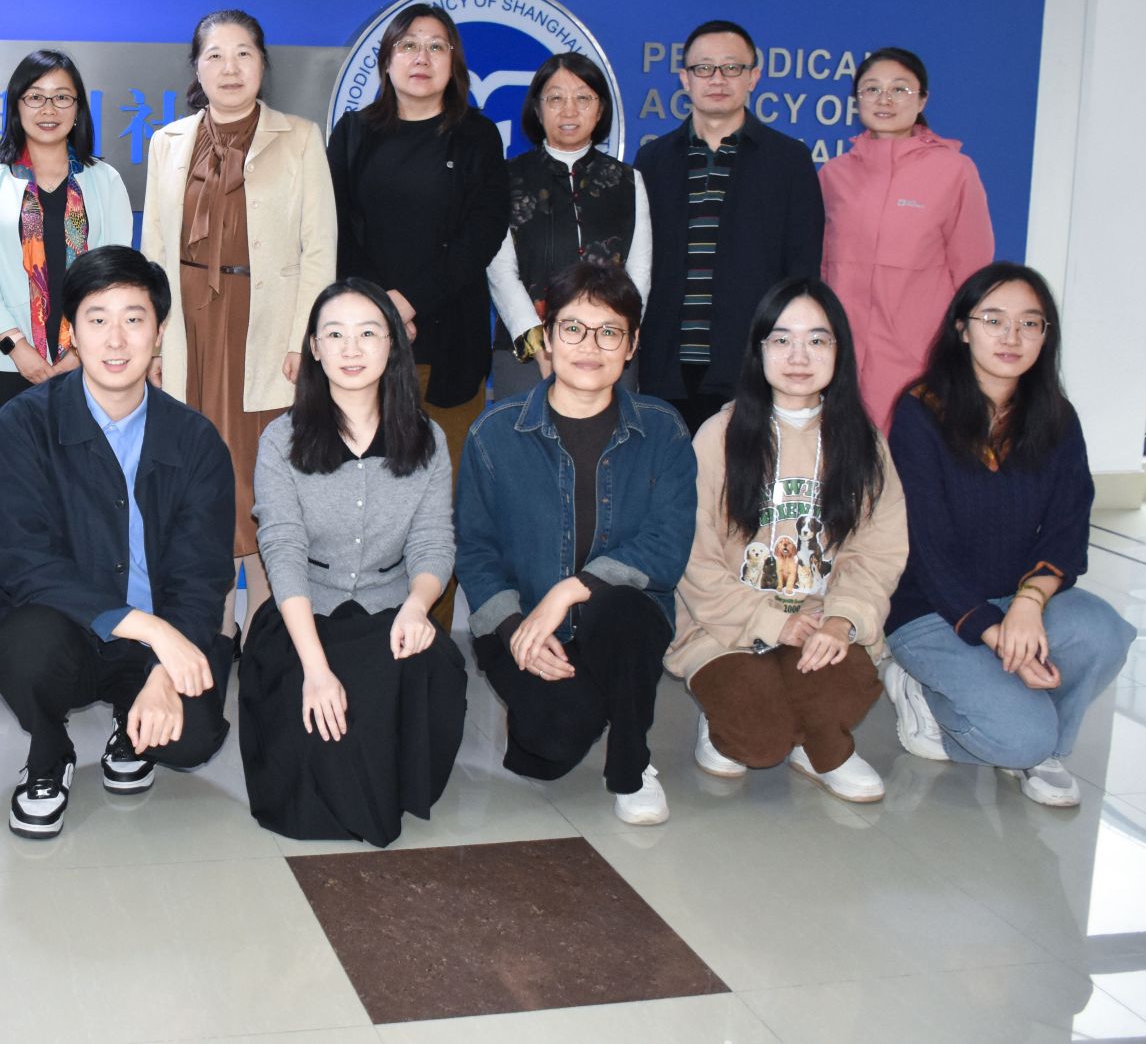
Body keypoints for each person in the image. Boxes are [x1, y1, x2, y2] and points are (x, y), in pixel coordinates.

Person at [0, 246, 237, 839]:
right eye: (97, 319)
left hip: (155, 633)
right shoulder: (24, 424)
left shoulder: (196, 440)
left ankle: (132, 726)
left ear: (160, 332)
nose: (116, 340)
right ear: (71, 332)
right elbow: (24, 560)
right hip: (66, 628)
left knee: (191, 737)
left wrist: (164, 670)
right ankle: (49, 755)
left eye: (134, 319)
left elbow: (203, 574)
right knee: (26, 650)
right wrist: (150, 630)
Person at [880, 264, 1136, 807]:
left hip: (1017, 601)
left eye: (1029, 323)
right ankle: (925, 696)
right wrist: (995, 634)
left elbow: (1069, 525)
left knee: (1104, 633)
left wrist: (1028, 602)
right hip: (932, 610)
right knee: (1016, 736)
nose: (1012, 337)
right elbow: (926, 548)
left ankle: (1045, 752)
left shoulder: (1056, 417)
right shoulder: (921, 411)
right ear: (962, 328)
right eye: (993, 320)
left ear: (1046, 335)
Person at [457, 262, 695, 825]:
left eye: (609, 331)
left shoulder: (663, 429)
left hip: (622, 622)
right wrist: (514, 628)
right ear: (548, 336)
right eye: (573, 328)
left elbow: (667, 546)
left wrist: (570, 590)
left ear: (632, 344)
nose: (590, 346)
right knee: (548, 748)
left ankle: (632, 767)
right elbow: (475, 551)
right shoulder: (495, 433)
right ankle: (588, 699)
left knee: (624, 610)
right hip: (524, 619)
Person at [242, 280, 466, 846]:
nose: (351, 349)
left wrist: (418, 607)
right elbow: (283, 552)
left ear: (394, 343)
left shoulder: (427, 439)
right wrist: (316, 671)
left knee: (430, 668)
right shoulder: (281, 440)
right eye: (334, 335)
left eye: (368, 333)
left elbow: (434, 541)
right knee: (317, 720)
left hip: (390, 611)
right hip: (304, 618)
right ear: (314, 348)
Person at [669, 278, 906, 803]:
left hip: (822, 622)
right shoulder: (718, 436)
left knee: (842, 688)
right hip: (727, 627)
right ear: (759, 350)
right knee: (758, 742)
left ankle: (819, 742)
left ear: (839, 351)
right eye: (781, 339)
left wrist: (842, 619)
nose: (799, 356)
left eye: (817, 340)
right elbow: (693, 558)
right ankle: (742, 722)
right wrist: (775, 623)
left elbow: (878, 551)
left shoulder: (864, 443)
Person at [143, 9, 336, 628]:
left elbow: (319, 249)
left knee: (260, 481)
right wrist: (152, 343)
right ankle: (213, 628)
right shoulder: (167, 141)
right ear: (196, 68)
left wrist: (304, 338)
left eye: (244, 54)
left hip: (265, 330)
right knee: (196, 476)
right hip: (188, 330)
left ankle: (267, 633)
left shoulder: (300, 138)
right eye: (215, 55)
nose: (230, 68)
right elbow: (153, 250)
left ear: (263, 64)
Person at [329, 3, 510, 468]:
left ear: (454, 62)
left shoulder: (478, 136)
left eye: (436, 47)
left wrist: (407, 303)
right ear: (387, 60)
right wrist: (382, 310)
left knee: (442, 488)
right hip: (366, 342)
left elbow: (483, 232)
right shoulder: (353, 133)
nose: (421, 58)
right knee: (365, 485)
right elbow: (336, 230)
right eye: (408, 45)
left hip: (450, 342)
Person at [636, 20, 824, 430]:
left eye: (731, 68)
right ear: (685, 78)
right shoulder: (652, 161)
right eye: (704, 68)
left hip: (751, 365)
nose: (717, 79)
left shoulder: (788, 161)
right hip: (665, 368)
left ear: (753, 76)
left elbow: (802, 271)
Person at [0, 49, 134, 436]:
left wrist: (80, 351)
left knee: (86, 466)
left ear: (78, 108)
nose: (48, 109)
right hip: (5, 362)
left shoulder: (104, 181)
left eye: (62, 97)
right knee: (10, 466)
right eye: (35, 97)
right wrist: (16, 346)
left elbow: (116, 276)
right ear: (16, 106)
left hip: (90, 362)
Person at [821, 48, 994, 430]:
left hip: (920, 357)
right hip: (842, 358)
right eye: (872, 89)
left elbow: (974, 274)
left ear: (922, 100)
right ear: (857, 100)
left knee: (913, 454)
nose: (884, 99)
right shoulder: (833, 175)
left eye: (899, 89)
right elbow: (821, 268)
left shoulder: (955, 171)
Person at [487, 53, 650, 399]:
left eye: (583, 98)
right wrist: (540, 346)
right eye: (556, 98)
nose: (569, 110)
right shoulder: (505, 177)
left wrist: (615, 335)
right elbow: (500, 270)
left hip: (609, 351)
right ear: (537, 108)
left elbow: (639, 271)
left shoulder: (628, 181)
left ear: (600, 109)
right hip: (527, 355)